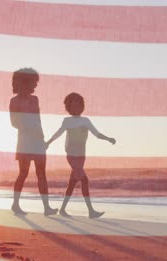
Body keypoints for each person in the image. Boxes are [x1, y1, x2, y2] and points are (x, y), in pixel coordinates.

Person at [46, 92, 116, 218]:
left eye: (78, 106)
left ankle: (62, 209)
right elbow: (58, 133)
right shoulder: (67, 121)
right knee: (84, 180)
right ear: (68, 108)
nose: (76, 108)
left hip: (81, 156)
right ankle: (91, 211)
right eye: (72, 106)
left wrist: (108, 138)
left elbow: (97, 134)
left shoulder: (86, 120)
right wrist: (48, 142)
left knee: (72, 183)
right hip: (71, 155)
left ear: (82, 106)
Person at [9, 68, 58, 216]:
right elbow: (14, 122)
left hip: (37, 141)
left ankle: (46, 207)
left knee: (41, 174)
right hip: (24, 141)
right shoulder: (14, 101)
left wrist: (42, 138)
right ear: (24, 82)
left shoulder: (34, 99)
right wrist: (30, 129)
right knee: (23, 173)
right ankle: (15, 204)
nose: (35, 86)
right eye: (33, 83)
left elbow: (38, 120)